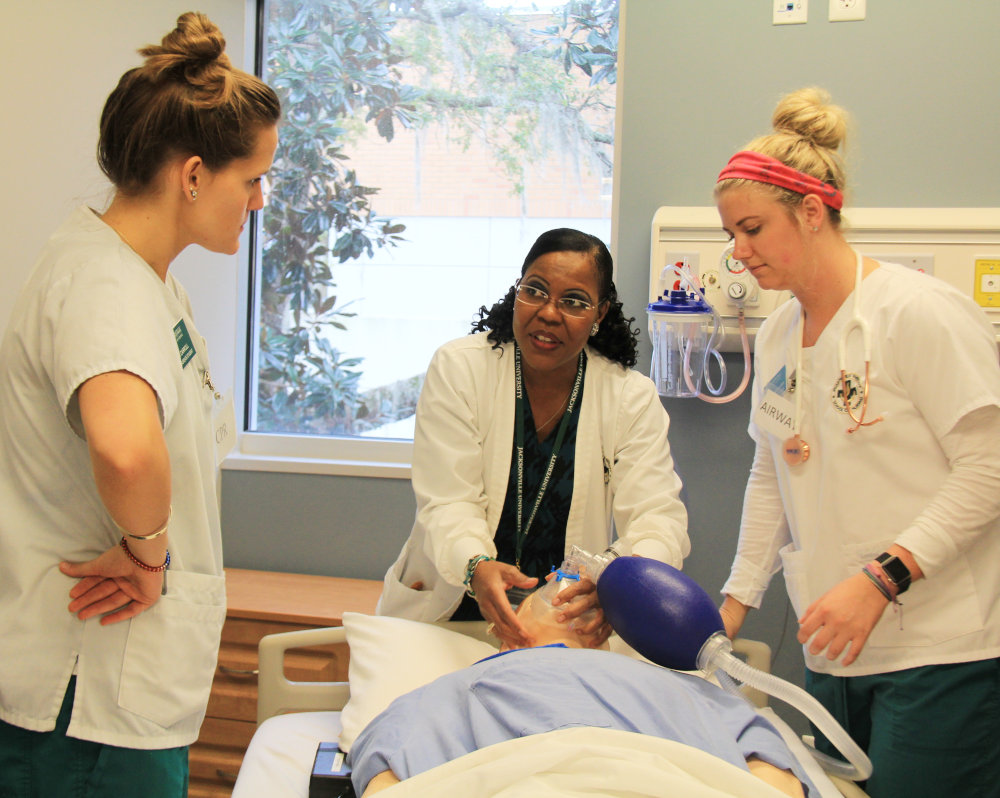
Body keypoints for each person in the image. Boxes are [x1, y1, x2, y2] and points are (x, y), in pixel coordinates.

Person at [0, 12, 280, 797]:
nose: (259, 199)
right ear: (192, 175)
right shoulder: (105, 286)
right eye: (251, 178)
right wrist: (148, 554)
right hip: (85, 696)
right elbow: (126, 450)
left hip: (120, 689)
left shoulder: (143, 281)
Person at [715, 88, 1000, 798]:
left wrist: (881, 579)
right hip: (835, 651)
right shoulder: (779, 335)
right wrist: (732, 605)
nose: (738, 253)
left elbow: (989, 468)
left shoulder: (918, 312)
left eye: (752, 229)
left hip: (942, 653)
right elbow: (770, 472)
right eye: (731, 234)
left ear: (812, 212)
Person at [376, 228, 689, 650]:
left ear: (600, 313)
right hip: (452, 611)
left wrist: (615, 580)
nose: (548, 313)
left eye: (574, 301)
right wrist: (475, 566)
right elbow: (448, 499)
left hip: (561, 620)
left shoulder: (629, 397)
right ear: (517, 291)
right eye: (535, 290)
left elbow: (658, 518)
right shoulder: (461, 369)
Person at [352, 587, 815, 797]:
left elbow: (772, 771)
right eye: (550, 593)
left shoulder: (678, 684)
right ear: (509, 634)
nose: (570, 594)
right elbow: (384, 774)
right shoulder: (460, 686)